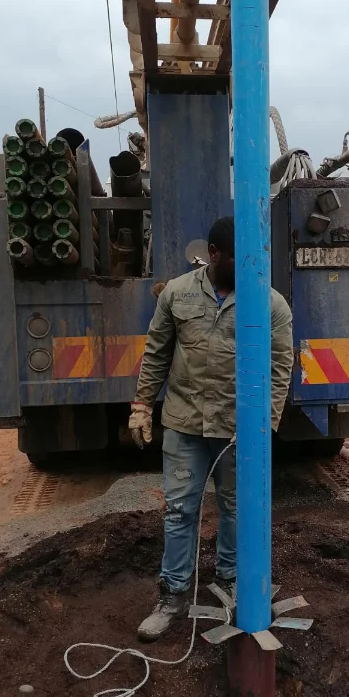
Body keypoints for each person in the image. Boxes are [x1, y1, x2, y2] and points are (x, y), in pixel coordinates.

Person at [129, 216, 294, 641]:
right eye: (239, 259)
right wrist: (142, 405)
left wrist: (265, 424)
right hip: (184, 424)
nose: (249, 268)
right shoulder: (177, 293)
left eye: (254, 259)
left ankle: (230, 583)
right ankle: (173, 596)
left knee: (237, 510)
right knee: (180, 511)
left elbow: (280, 367)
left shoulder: (269, 303)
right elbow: (157, 351)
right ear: (214, 254)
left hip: (238, 430)